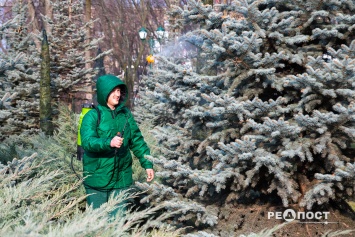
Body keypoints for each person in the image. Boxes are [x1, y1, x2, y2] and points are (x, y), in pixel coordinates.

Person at [80, 74, 154, 217]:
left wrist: (148, 164)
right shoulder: (93, 116)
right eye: (113, 91)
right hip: (98, 178)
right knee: (97, 222)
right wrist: (109, 142)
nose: (117, 94)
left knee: (117, 222)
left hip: (121, 178)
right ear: (104, 93)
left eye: (119, 91)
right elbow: (87, 142)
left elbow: (137, 140)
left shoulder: (125, 114)